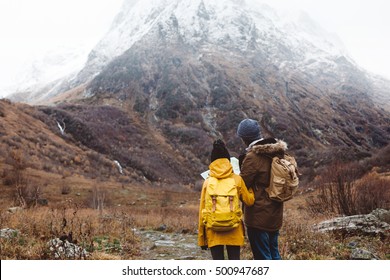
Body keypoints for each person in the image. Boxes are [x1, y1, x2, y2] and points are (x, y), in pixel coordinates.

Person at [236, 118, 289, 260]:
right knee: (274, 253)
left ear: (244, 138)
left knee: (263, 258)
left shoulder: (253, 157)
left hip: (258, 215)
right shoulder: (277, 151)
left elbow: (242, 185)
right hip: (275, 211)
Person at [198, 139, 254, 260]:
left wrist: (202, 239)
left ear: (212, 162)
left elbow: (202, 211)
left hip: (213, 231)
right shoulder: (237, 179)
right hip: (234, 229)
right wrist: (251, 189)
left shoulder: (207, 182)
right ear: (228, 161)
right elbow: (249, 201)